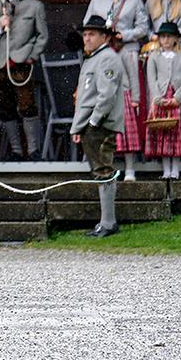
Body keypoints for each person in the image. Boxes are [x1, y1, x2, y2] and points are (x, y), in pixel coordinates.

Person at [83, 0, 148, 181]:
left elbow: (143, 27)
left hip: (126, 53)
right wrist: (102, 35)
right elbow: (87, 26)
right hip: (103, 55)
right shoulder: (96, 0)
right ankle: (105, 167)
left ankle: (130, 168)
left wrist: (124, 35)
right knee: (103, 105)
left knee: (127, 108)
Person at [70, 15, 125, 237]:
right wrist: (78, 127)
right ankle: (105, 222)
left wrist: (93, 122)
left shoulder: (108, 58)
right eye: (85, 34)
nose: (87, 38)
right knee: (99, 170)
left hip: (100, 124)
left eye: (92, 34)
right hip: (90, 124)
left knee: (103, 170)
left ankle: (109, 223)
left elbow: (106, 95)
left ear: (105, 37)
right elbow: (85, 96)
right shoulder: (92, 58)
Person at [0, 0, 49, 162]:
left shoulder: (35, 6)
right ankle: (16, 150)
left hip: (22, 61)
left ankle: (33, 150)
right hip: (1, 63)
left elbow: (42, 35)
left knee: (27, 105)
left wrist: (32, 56)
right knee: (5, 107)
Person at [144, 22, 181, 179]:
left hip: (177, 99)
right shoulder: (154, 56)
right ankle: (166, 169)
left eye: (169, 36)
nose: (165, 40)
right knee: (163, 132)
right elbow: (151, 79)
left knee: (176, 133)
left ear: (176, 39)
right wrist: (158, 98)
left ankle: (175, 169)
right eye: (162, 37)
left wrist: (177, 98)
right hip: (160, 98)